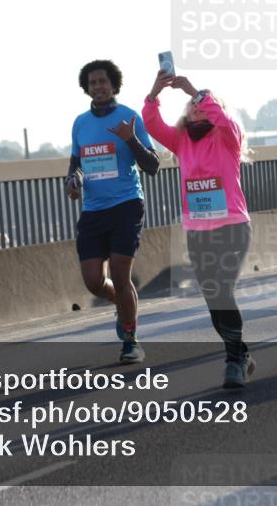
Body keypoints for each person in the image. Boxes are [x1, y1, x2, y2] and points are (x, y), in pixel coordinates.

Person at [143, 71, 254, 388]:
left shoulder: (227, 138)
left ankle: (233, 362)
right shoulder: (181, 142)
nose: (197, 108)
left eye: (204, 105)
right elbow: (152, 124)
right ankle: (241, 353)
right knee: (213, 300)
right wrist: (155, 92)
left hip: (232, 227)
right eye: (192, 106)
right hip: (198, 232)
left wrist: (194, 90)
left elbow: (225, 120)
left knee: (222, 291)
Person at [66, 60, 159, 365]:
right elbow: (76, 164)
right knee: (93, 281)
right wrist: (74, 180)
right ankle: (123, 305)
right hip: (93, 210)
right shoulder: (80, 123)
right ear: (87, 88)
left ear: (114, 84)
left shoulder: (129, 117)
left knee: (121, 274)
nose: (98, 87)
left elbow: (152, 166)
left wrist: (129, 138)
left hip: (126, 204)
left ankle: (130, 339)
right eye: (93, 83)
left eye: (103, 81)